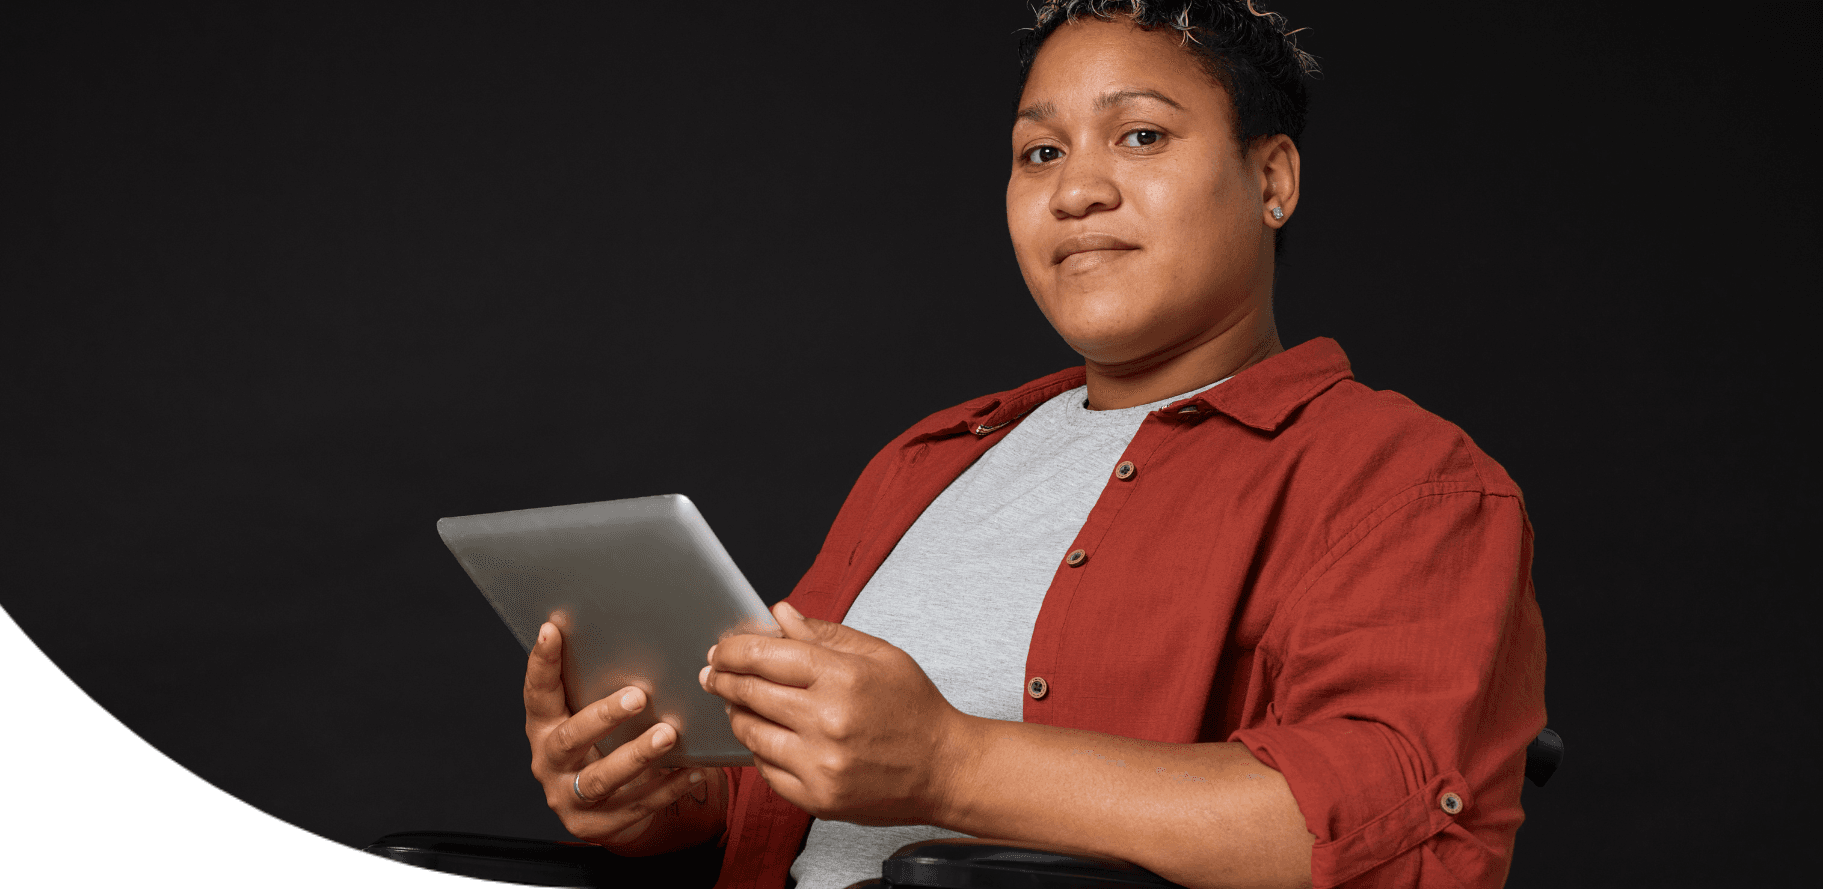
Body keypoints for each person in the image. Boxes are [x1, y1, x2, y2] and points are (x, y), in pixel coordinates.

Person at [519, 2, 1547, 887]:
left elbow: (1392, 833)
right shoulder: (929, 462)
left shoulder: (1404, 481)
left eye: (1139, 136)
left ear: (1270, 178)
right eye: (1038, 151)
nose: (1074, 191)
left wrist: (951, 764)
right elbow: (798, 786)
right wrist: (666, 790)